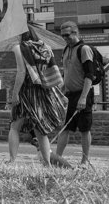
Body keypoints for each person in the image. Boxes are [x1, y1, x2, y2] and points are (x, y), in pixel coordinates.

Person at [8, 26, 67, 166]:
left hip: (26, 91)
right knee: (41, 129)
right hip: (43, 91)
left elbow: (21, 72)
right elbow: (53, 69)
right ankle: (47, 163)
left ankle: (12, 161)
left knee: (15, 126)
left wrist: (15, 93)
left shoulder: (20, 48)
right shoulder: (46, 47)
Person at [56, 21, 94, 166]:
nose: (65, 38)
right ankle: (57, 158)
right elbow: (66, 73)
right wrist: (61, 92)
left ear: (75, 33)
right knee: (65, 127)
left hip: (82, 93)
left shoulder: (84, 49)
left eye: (67, 35)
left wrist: (83, 97)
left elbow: (89, 75)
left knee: (84, 129)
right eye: (63, 36)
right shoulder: (66, 50)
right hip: (69, 94)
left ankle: (84, 162)